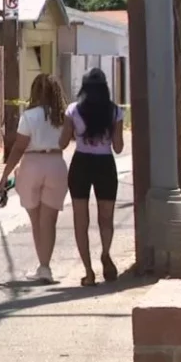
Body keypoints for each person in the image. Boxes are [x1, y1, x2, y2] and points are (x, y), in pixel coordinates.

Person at [0, 73, 69, 284]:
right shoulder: (63, 117)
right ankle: (45, 267)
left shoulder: (29, 116)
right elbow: (68, 141)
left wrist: (5, 175)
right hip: (55, 163)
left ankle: (42, 266)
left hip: (32, 164)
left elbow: (19, 147)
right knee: (49, 221)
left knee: (36, 220)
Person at [59, 67, 125, 287]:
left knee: (81, 220)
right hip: (105, 164)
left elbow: (62, 143)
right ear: (105, 88)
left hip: (81, 164)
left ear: (84, 88)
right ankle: (105, 253)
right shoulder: (115, 112)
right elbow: (118, 147)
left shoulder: (73, 110)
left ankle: (88, 272)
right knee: (106, 217)